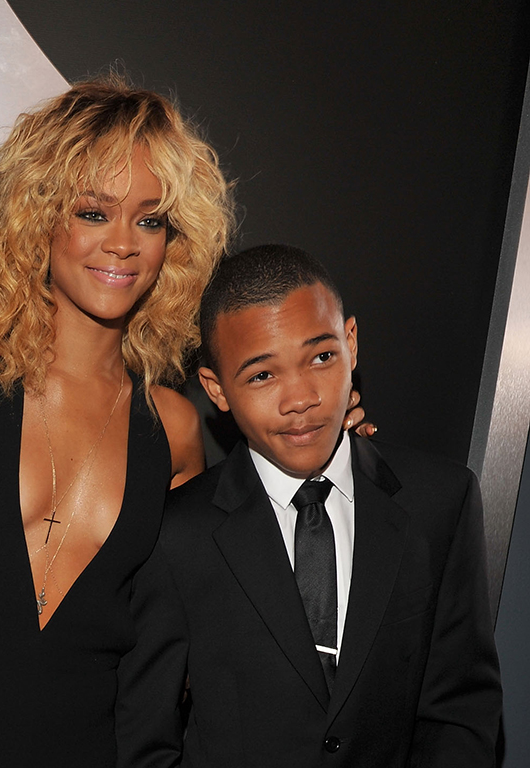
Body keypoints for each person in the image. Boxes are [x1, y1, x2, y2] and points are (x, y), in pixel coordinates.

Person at [0, 81, 366, 767]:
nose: (124, 245)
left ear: (175, 245)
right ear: (41, 219)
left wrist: (337, 449)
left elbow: (218, 616)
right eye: (94, 212)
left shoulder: (176, 428)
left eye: (151, 220)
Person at [150, 244, 502, 767]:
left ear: (351, 344)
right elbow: (147, 737)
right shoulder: (179, 533)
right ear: (216, 389)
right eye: (262, 375)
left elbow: (461, 713)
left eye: (321, 357)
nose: (301, 398)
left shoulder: (441, 503)